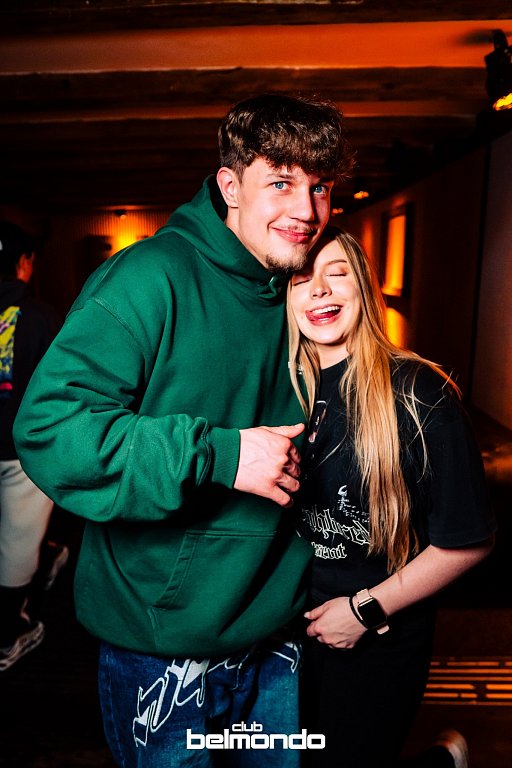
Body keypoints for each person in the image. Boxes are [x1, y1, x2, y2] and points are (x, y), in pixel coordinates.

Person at [13, 95, 354, 766]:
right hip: (163, 645)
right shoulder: (149, 277)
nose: (306, 209)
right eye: (280, 182)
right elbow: (52, 429)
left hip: (277, 634)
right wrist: (220, 456)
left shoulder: (298, 289)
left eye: (319, 187)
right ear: (230, 185)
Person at [287, 228, 496, 768]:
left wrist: (364, 610)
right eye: (301, 279)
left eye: (337, 273)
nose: (319, 290)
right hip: (285, 634)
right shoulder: (281, 392)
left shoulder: (420, 392)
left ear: (364, 288)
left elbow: (467, 540)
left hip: (378, 634)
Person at [0, 220, 68, 672]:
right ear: (25, 263)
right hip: (21, 447)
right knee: (18, 542)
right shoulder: (41, 316)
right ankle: (9, 632)